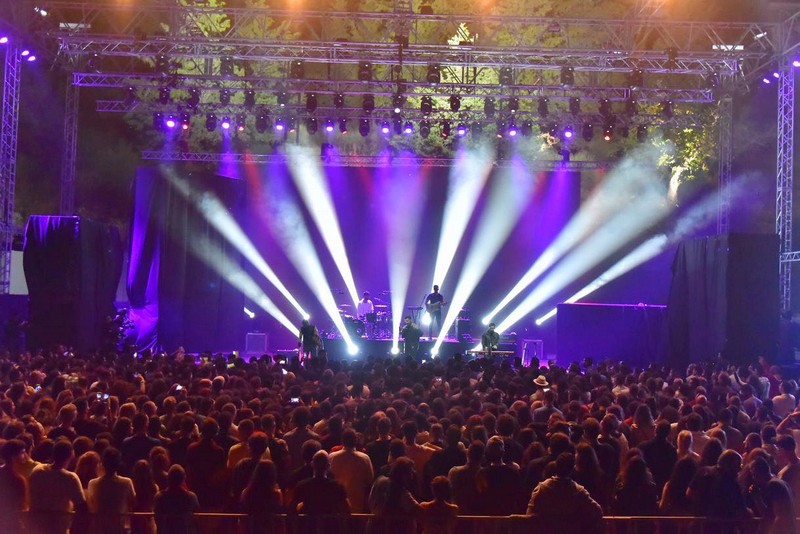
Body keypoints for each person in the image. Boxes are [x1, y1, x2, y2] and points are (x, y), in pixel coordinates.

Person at [526, 452, 603, 534]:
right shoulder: (579, 492)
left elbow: (529, 515)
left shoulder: (541, 489)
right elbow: (597, 511)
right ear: (573, 469)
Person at [28, 440, 87, 534]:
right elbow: (81, 505)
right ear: (71, 455)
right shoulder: (70, 478)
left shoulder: (37, 471)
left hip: (36, 524)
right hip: (58, 526)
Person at [87, 447, 136, 534]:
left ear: (102, 463)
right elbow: (132, 503)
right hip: (119, 529)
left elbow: (91, 503)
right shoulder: (126, 482)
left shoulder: (93, 483)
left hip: (99, 530)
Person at [328, 428, 374, 513]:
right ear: (356, 441)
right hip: (357, 503)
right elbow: (370, 480)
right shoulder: (364, 458)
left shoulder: (331, 457)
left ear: (342, 441)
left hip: (336, 504)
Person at [153, 465, 199, 534]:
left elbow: (156, 518)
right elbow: (196, 516)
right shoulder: (191, 497)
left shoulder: (159, 497)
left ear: (168, 478)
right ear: (183, 479)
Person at [0, 439, 27, 533]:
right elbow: (21, 506)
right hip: (12, 524)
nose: (25, 456)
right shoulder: (18, 480)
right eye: (22, 453)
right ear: (12, 457)